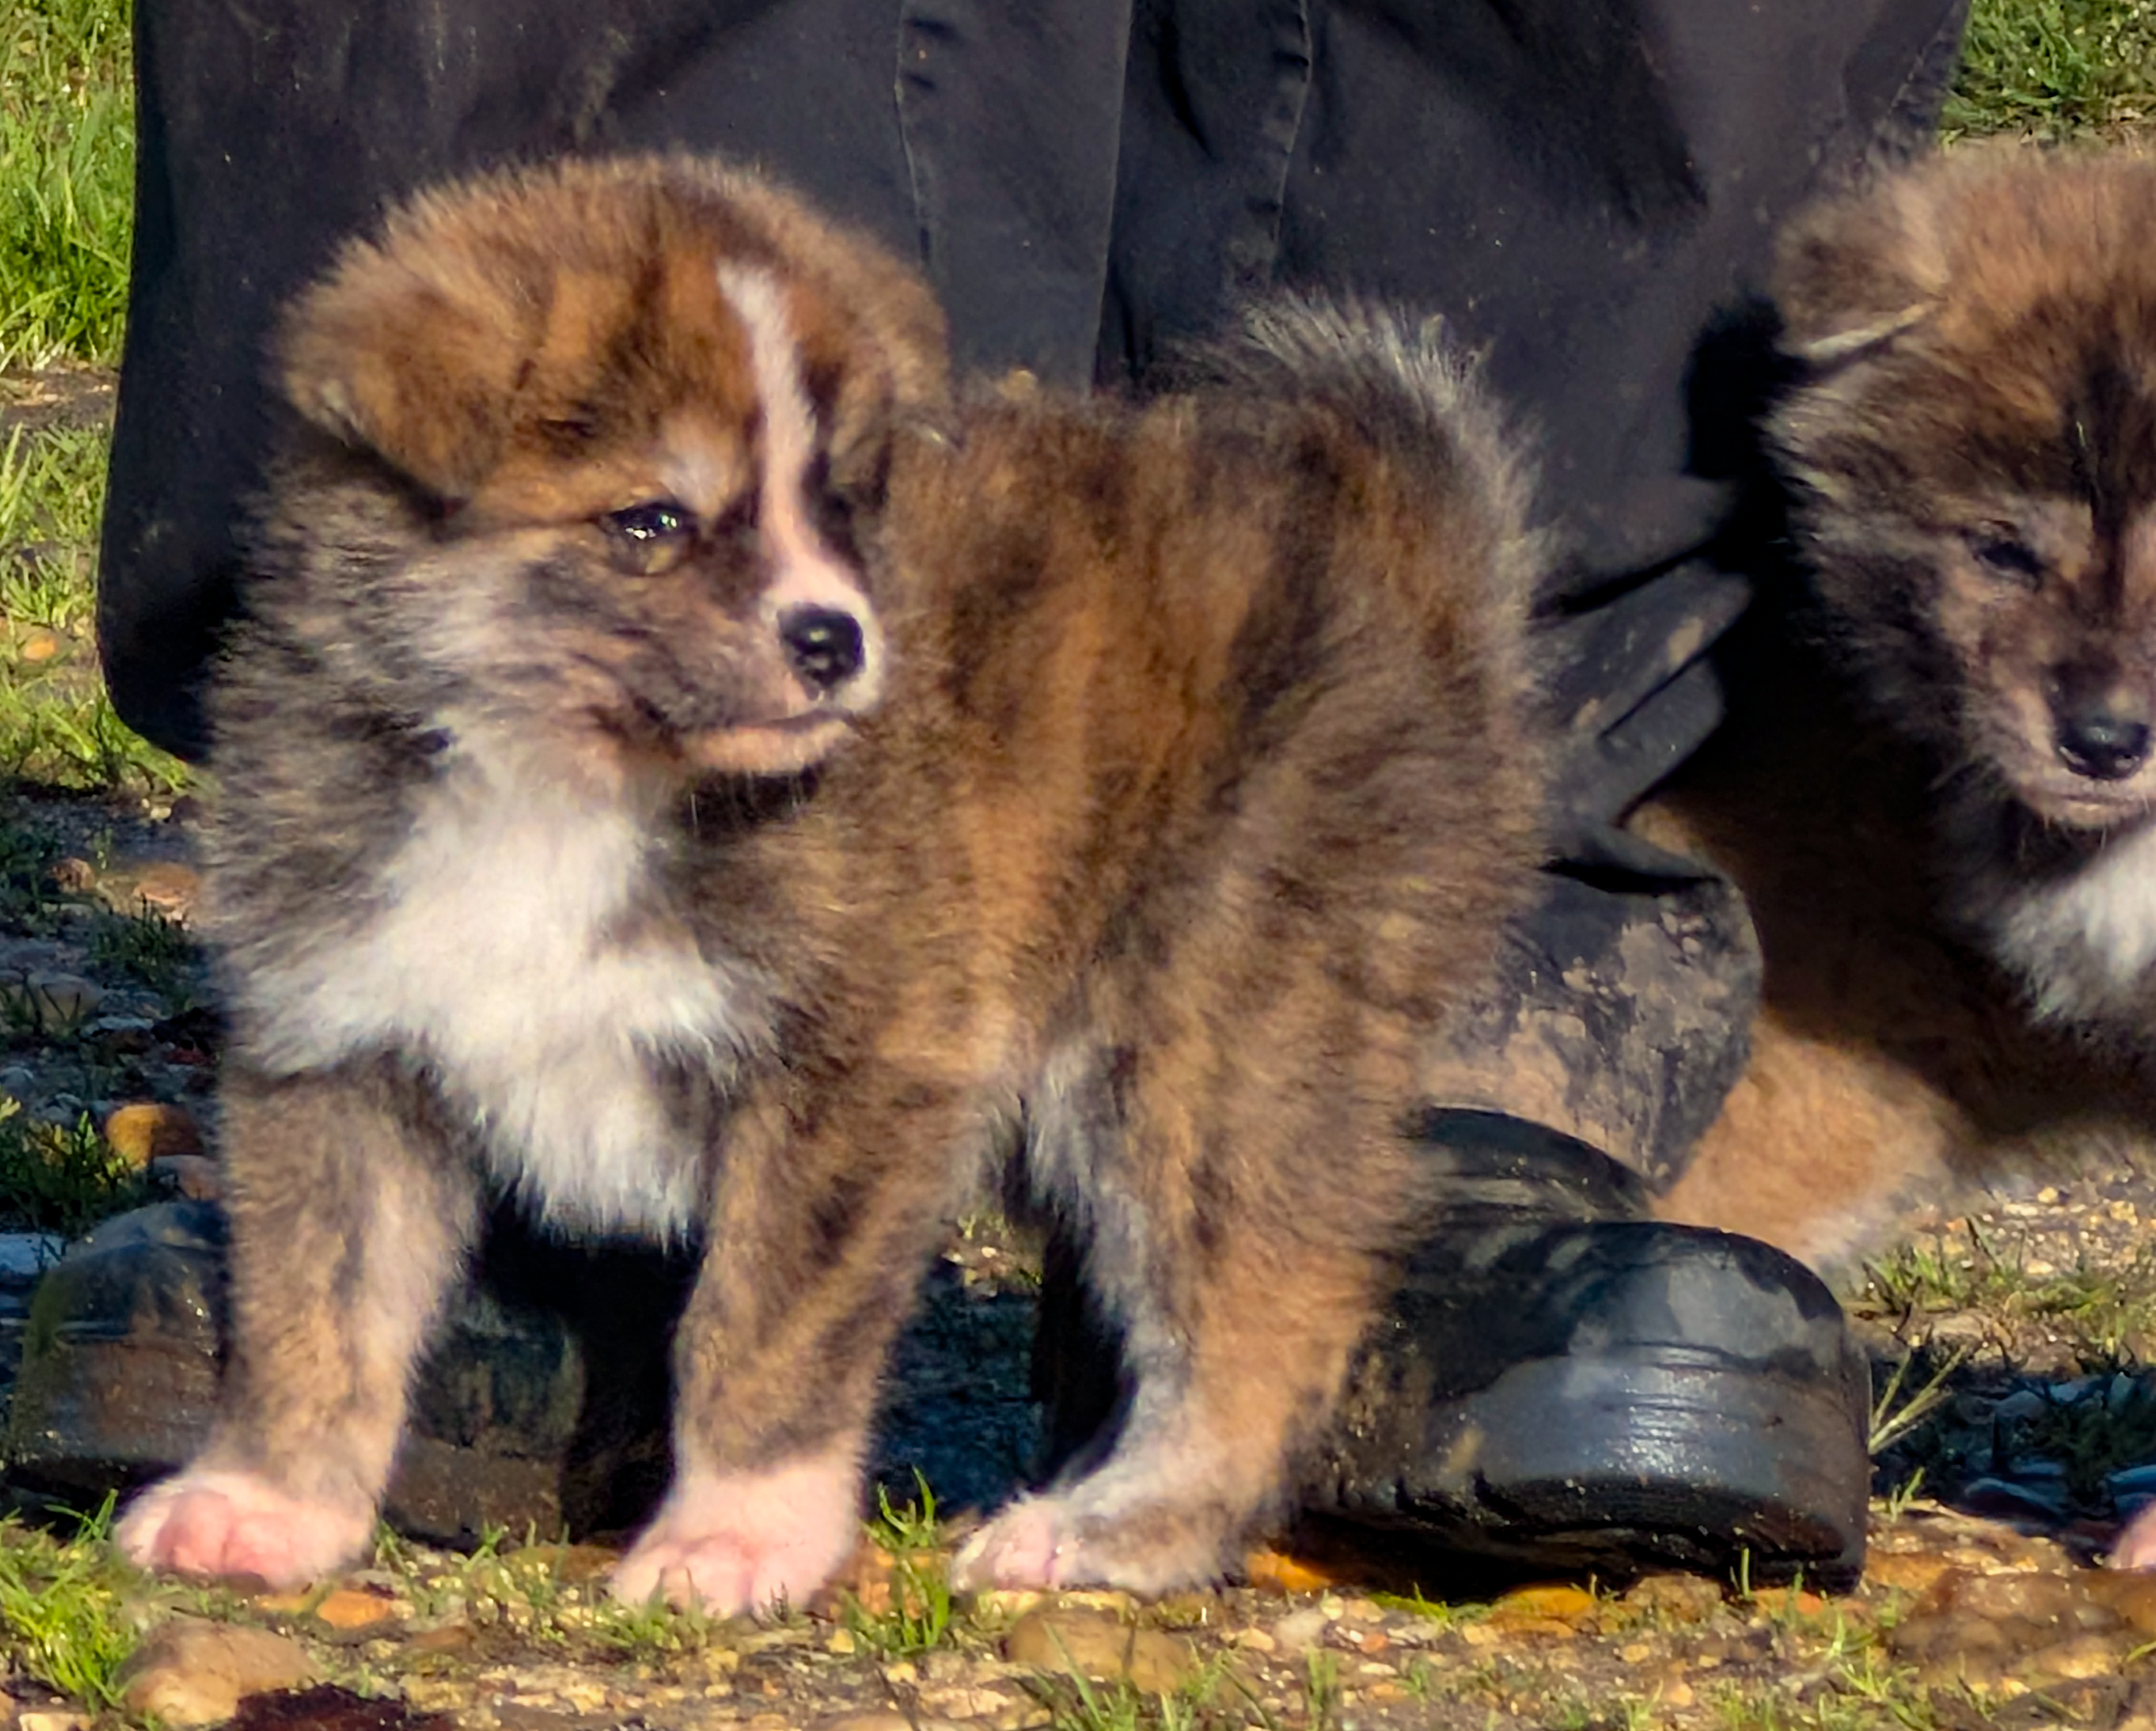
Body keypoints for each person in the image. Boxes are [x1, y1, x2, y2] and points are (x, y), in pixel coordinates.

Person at [43, 0, 1973, 1585]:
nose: (824, 613)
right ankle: (451, 1348)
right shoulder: (418, 531)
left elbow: (873, 1061)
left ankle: (1391, 1195)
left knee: (1192, 1027)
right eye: (663, 529)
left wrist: (771, 1459)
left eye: (840, 510)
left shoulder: (870, 741)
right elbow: (323, 1071)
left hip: (1254, 767)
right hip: (459, 715)